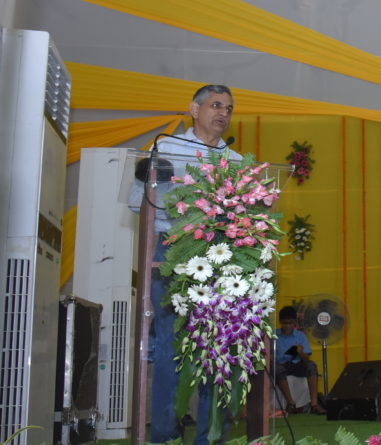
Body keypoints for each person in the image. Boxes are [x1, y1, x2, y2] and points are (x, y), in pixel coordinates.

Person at [129, 84, 242, 444]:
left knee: (218, 346)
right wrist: (180, 209)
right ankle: (164, 434)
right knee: (171, 345)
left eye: (228, 108)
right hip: (172, 250)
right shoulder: (166, 148)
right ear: (194, 109)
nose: (222, 113)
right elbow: (136, 201)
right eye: (215, 105)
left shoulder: (236, 161)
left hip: (219, 254)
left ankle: (210, 436)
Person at [274, 306, 326, 414]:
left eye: (290, 323)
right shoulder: (273, 335)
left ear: (295, 322)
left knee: (311, 366)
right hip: (280, 365)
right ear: (280, 322)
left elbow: (307, 359)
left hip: (297, 364)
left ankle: (314, 404)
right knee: (277, 369)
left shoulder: (300, 336)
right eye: (285, 323)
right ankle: (290, 403)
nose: (288, 325)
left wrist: (301, 353)